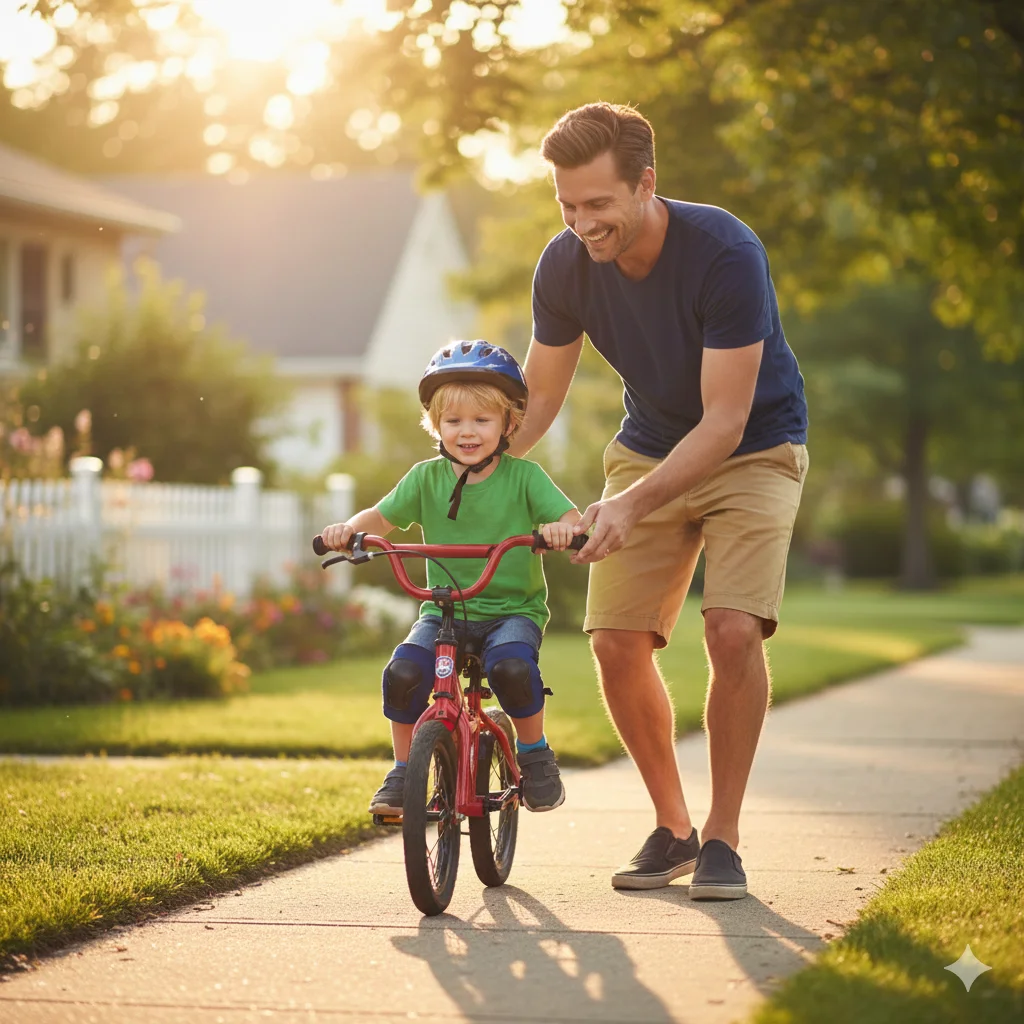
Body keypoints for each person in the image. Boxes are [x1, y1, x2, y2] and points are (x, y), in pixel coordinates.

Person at [509, 102, 809, 899]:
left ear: (646, 184)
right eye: (567, 206)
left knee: (733, 628)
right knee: (614, 640)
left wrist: (629, 506)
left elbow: (725, 421)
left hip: (754, 448)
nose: (582, 224)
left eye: (599, 205)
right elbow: (539, 399)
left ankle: (723, 837)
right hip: (648, 444)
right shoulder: (565, 264)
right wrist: (469, 469)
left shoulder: (725, 253)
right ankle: (674, 826)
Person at [319, 341, 582, 815]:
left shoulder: (525, 478)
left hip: (511, 612)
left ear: (508, 424)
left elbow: (570, 516)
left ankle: (535, 752)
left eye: (482, 420)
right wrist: (349, 532)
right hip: (443, 609)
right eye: (454, 421)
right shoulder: (424, 479)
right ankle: (403, 770)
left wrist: (563, 529)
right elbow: (380, 518)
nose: (467, 432)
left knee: (512, 669)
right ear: (435, 425)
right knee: (403, 673)